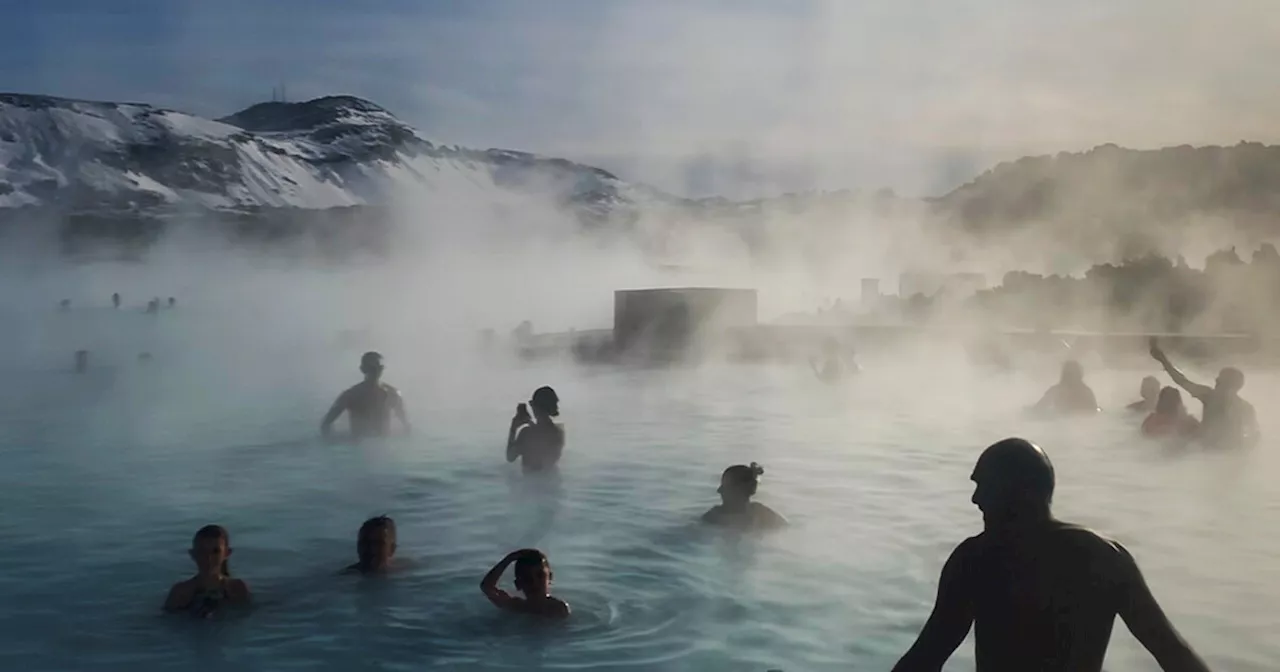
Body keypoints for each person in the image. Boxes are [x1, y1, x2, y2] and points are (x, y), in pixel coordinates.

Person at [891, 438, 1211, 672]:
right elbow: (1174, 655)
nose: (976, 499)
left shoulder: (977, 560)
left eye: (987, 487)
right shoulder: (1105, 558)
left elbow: (924, 660)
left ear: (1026, 492)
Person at [1150, 338, 1258, 448]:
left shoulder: (1209, 396)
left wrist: (1163, 359)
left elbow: (1182, 381)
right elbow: (1254, 436)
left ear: (1230, 385)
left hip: (1209, 450)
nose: (1216, 380)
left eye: (1220, 379)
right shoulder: (1246, 407)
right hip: (1229, 453)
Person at [163, 525, 252, 618]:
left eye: (215, 551)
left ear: (227, 553)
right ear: (193, 554)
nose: (209, 557)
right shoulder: (181, 592)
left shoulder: (238, 588)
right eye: (202, 551)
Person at [320, 352, 410, 440]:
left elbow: (406, 426)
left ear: (382, 369)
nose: (375, 372)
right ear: (363, 369)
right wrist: (334, 443)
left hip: (384, 444)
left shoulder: (392, 394)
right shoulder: (350, 396)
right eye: (372, 368)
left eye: (379, 368)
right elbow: (326, 424)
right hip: (357, 447)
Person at [480, 548, 570, 618]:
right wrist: (509, 558)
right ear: (518, 584)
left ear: (550, 578)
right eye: (527, 579)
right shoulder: (516, 606)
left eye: (540, 575)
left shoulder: (558, 608)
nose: (534, 583)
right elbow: (486, 587)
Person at [701, 463, 787, 530]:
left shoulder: (714, 518)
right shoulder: (763, 515)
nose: (719, 490)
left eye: (726, 486)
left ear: (742, 489)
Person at [506, 386, 564, 473]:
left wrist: (513, 428)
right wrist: (529, 422)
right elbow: (543, 434)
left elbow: (510, 457)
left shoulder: (526, 434)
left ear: (535, 406)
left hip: (530, 482)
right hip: (552, 480)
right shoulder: (559, 431)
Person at [1031, 360, 1099, 415]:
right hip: (1083, 424)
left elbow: (1037, 410)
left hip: (1062, 423)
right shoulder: (1087, 391)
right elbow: (1095, 411)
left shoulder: (1056, 391)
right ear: (1080, 374)